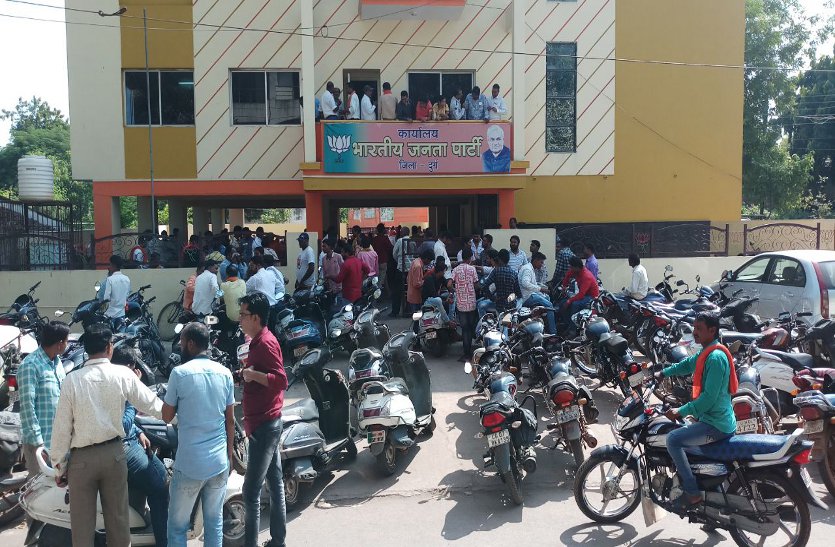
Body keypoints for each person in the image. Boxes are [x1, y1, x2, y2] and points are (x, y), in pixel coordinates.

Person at [51, 324, 164, 547]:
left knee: (82, 528)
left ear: (86, 350)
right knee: (118, 523)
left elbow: (62, 429)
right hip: (115, 455)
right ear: (109, 348)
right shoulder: (123, 374)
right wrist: (180, 415)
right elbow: (154, 406)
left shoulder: (72, 380)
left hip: (82, 460)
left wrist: (59, 467)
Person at [162, 322, 235, 547]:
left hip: (190, 464)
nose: (180, 346)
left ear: (191, 344)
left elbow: (166, 416)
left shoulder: (179, 374)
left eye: (182, 342)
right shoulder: (225, 373)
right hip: (219, 461)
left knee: (177, 527)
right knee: (214, 523)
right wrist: (229, 455)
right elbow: (230, 420)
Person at [656, 311, 737, 509]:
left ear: (712, 330)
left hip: (716, 424)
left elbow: (708, 399)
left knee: (673, 439)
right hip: (711, 418)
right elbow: (687, 364)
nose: (694, 332)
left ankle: (692, 493)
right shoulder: (707, 351)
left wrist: (681, 411)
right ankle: (708, 497)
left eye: (699, 329)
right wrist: (663, 372)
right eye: (694, 328)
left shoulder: (715, 358)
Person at [238, 293, 288, 547]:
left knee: (250, 492)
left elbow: (281, 380)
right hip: (266, 422)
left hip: (265, 425)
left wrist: (252, 375)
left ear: (256, 318)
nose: (240, 319)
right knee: (275, 483)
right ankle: (278, 540)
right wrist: (245, 373)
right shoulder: (257, 341)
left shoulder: (266, 342)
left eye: (243, 315)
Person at [112, 345, 169, 547]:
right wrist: (132, 391)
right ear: (130, 366)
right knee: (161, 483)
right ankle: (163, 542)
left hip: (122, 442)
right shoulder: (120, 381)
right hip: (122, 447)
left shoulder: (102, 377)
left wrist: (138, 432)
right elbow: (122, 424)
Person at [18, 321, 69, 476]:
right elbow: (27, 407)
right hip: (40, 444)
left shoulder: (57, 363)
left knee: (58, 486)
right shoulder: (30, 365)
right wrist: (38, 444)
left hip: (59, 441)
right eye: (66, 341)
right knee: (39, 486)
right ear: (60, 343)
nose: (67, 344)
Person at [452, 247, 479, 361]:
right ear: (470, 257)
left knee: (464, 329)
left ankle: (466, 353)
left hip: (461, 303)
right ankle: (470, 351)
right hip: (471, 302)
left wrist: (456, 290)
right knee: (470, 327)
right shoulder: (472, 269)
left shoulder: (456, 270)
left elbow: (449, 284)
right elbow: (476, 285)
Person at [519, 252, 556, 335]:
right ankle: (553, 332)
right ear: (536, 260)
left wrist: (542, 291)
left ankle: (544, 325)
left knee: (547, 298)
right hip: (527, 296)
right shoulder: (528, 269)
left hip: (530, 294)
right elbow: (525, 283)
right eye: (541, 262)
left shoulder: (529, 268)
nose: (542, 265)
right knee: (549, 305)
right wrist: (541, 289)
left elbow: (534, 284)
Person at [559, 256, 600, 324]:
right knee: (562, 303)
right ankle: (567, 323)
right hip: (584, 294)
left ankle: (573, 327)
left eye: (572, 267)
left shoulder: (586, 276)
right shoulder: (575, 271)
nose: (570, 269)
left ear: (577, 267)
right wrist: (564, 287)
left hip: (591, 297)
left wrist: (569, 301)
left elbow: (581, 295)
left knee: (575, 304)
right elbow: (567, 275)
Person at [328, 242, 370, 307]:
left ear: (347, 253)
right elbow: (367, 270)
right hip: (358, 293)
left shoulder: (346, 264)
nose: (341, 254)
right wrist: (362, 278)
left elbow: (338, 279)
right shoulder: (358, 261)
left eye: (342, 252)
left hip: (348, 295)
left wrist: (330, 276)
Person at [103, 254, 130, 331]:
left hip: (110, 314)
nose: (109, 267)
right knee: (121, 335)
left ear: (113, 265)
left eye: (110, 264)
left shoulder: (110, 279)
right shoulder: (127, 279)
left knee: (109, 335)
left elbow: (106, 298)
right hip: (121, 313)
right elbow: (127, 295)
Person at [391, 226, 414, 318]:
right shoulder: (413, 241)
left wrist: (399, 261)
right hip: (411, 269)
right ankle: (409, 309)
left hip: (401, 268)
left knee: (397, 291)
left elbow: (394, 254)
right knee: (409, 290)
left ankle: (395, 311)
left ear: (402, 232)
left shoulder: (399, 241)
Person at [422, 259, 450, 324]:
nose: (444, 273)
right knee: (438, 300)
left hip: (436, 297)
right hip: (428, 299)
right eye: (444, 271)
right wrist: (445, 299)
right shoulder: (430, 278)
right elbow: (433, 294)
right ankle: (447, 321)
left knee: (452, 296)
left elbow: (447, 284)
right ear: (440, 271)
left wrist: (450, 294)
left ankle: (451, 317)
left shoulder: (441, 278)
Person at [407, 249, 433, 315]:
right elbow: (416, 284)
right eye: (429, 261)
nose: (429, 263)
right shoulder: (418, 266)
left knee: (416, 317)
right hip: (415, 296)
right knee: (417, 317)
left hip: (412, 293)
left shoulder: (415, 261)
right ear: (426, 259)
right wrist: (426, 281)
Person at [371, 223, 393, 295]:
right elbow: (390, 248)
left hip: (376, 261)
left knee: (381, 277)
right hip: (383, 260)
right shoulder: (385, 238)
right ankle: (377, 295)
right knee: (380, 280)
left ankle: (388, 291)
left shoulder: (374, 239)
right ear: (383, 230)